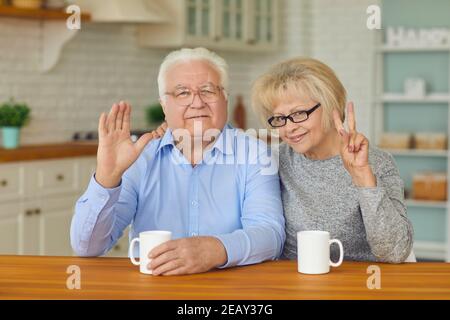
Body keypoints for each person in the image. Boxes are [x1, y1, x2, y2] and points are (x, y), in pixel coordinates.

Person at [70, 48, 285, 275]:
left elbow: (270, 235)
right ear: (164, 105)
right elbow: (87, 248)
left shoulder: (255, 154)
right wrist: (107, 177)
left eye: (208, 90)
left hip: (230, 292)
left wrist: (215, 249)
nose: (197, 102)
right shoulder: (140, 158)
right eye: (182, 93)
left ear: (225, 99)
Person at [251, 57, 414, 263]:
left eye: (299, 113)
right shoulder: (274, 160)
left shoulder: (377, 162)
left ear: (331, 108)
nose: (289, 128)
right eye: (280, 118)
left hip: (357, 286)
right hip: (293, 284)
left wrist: (363, 177)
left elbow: (396, 251)